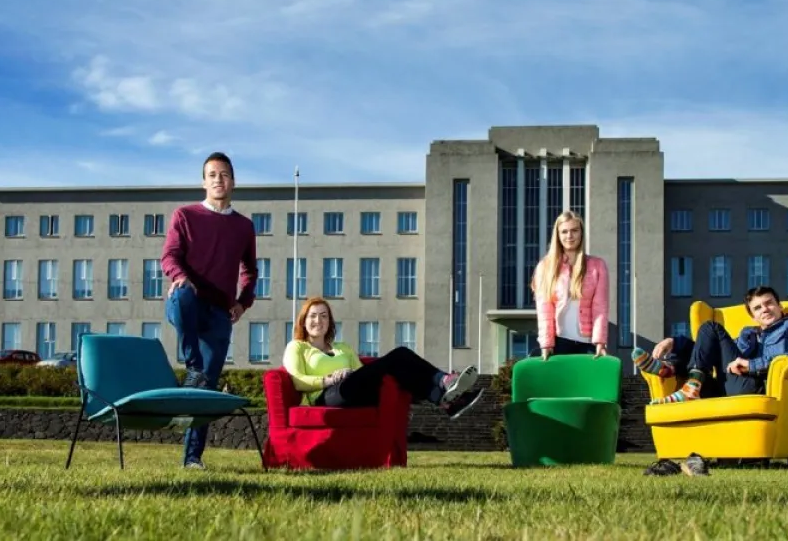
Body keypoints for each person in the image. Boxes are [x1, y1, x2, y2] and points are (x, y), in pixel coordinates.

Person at [160, 151, 259, 469]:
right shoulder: (185, 215)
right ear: (204, 181)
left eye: (225, 174)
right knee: (184, 293)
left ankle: (192, 459)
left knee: (206, 388)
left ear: (234, 182)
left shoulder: (244, 226)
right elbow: (170, 256)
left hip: (219, 314)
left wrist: (243, 303)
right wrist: (180, 278)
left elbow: (251, 271)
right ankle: (192, 365)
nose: (219, 179)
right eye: (213, 174)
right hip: (187, 303)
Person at [283, 297, 484, 419]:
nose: (318, 320)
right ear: (304, 321)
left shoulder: (342, 348)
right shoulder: (298, 347)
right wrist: (330, 379)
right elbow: (298, 380)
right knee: (399, 355)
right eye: (313, 316)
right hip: (325, 396)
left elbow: (364, 373)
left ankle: (445, 396)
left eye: (324, 316)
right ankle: (442, 387)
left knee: (400, 360)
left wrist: (351, 374)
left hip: (354, 389)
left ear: (330, 322)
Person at [637, 286, 788, 404]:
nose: (765, 309)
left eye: (769, 303)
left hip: (756, 387)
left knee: (711, 327)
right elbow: (710, 350)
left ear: (780, 306)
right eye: (758, 308)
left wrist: (752, 364)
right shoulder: (749, 333)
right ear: (753, 316)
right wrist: (675, 343)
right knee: (706, 338)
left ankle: (683, 380)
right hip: (727, 386)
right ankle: (671, 369)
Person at [531, 211, 609, 360]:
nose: (569, 236)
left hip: (588, 344)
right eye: (564, 231)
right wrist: (546, 344)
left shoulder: (597, 266)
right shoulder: (545, 267)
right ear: (558, 235)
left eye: (574, 230)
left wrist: (600, 341)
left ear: (581, 233)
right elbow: (544, 309)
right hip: (559, 342)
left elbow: (601, 308)